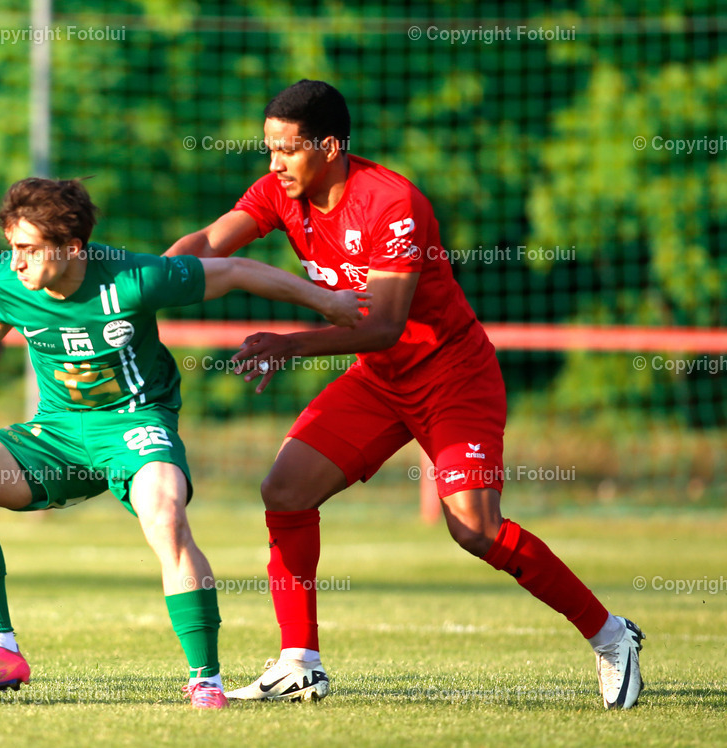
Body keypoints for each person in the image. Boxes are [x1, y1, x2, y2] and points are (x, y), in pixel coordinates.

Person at [165, 79, 645, 709]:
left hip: (452, 375)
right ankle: (299, 659)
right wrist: (150, 279)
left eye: (287, 150)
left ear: (330, 146)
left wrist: (289, 344)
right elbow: (205, 244)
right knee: (284, 489)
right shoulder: (280, 193)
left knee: (474, 528)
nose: (274, 163)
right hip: (379, 379)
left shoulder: (393, 204)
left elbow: (384, 323)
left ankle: (613, 637)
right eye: (268, 149)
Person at [0, 176, 367, 708]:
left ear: (71, 248)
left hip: (134, 427)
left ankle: (206, 678)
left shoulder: (133, 277)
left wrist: (326, 300)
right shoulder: (12, 278)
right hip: (57, 434)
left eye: (27, 249)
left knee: (164, 510)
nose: (13, 263)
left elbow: (236, 270)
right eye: (11, 247)